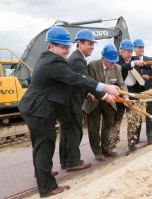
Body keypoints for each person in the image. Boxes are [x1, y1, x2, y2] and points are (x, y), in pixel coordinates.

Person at [18, 26, 119, 198]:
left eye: (67, 46)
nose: (67, 49)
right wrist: (104, 87)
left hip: (36, 108)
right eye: (63, 46)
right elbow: (76, 78)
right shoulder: (54, 61)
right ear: (51, 46)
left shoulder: (49, 59)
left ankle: (43, 174)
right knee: (44, 146)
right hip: (39, 110)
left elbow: (69, 81)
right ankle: (47, 188)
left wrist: (89, 92)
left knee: (42, 146)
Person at [59, 29, 104, 172]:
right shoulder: (77, 60)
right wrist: (104, 94)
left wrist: (88, 95)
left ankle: (65, 161)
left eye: (93, 44)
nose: (92, 47)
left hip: (67, 101)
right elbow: (86, 81)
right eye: (89, 44)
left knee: (66, 133)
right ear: (80, 44)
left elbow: (77, 82)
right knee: (75, 132)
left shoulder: (75, 58)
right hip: (72, 103)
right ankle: (73, 162)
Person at [82, 44, 127, 160]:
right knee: (94, 127)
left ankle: (106, 149)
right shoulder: (92, 65)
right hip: (94, 101)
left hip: (109, 101)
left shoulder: (118, 68)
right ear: (103, 58)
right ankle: (97, 152)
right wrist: (103, 94)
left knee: (109, 124)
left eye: (114, 61)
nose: (112, 64)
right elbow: (90, 84)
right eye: (110, 62)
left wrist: (125, 97)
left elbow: (121, 84)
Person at [115, 39, 147, 152]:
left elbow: (144, 66)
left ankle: (133, 142)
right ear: (121, 52)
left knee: (134, 117)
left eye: (131, 52)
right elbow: (120, 68)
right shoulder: (117, 60)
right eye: (127, 52)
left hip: (133, 91)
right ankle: (113, 142)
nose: (130, 54)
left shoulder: (134, 58)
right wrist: (133, 63)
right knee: (117, 118)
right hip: (121, 91)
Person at [133, 39, 152, 144]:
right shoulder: (131, 59)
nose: (141, 49)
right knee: (137, 114)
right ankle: (135, 139)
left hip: (149, 91)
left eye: (142, 47)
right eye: (139, 47)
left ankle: (150, 137)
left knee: (150, 113)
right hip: (137, 92)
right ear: (134, 48)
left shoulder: (150, 59)